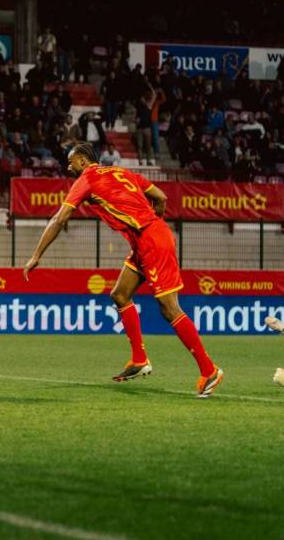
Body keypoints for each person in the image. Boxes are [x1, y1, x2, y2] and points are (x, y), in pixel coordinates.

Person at [23, 142, 224, 398]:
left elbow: (59, 219)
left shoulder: (87, 179)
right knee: (119, 294)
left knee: (169, 307)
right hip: (147, 238)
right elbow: (160, 197)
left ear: (83, 162)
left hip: (151, 240)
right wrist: (155, 223)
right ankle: (139, 359)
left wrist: (35, 255)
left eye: (70, 161)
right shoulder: (121, 172)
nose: (67, 165)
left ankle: (209, 370)